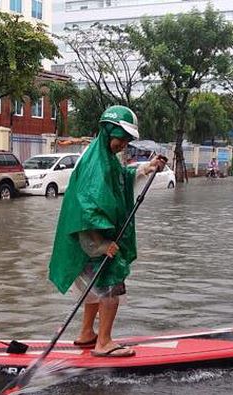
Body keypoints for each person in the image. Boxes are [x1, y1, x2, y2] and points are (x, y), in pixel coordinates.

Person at [48, 105, 166, 358]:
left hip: (91, 243)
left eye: (127, 140)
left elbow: (121, 177)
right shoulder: (96, 164)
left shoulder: (103, 157)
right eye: (120, 138)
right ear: (108, 131)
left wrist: (147, 167)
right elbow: (87, 208)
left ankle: (86, 334)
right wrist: (100, 245)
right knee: (110, 289)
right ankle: (104, 343)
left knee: (94, 291)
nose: (123, 144)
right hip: (92, 242)